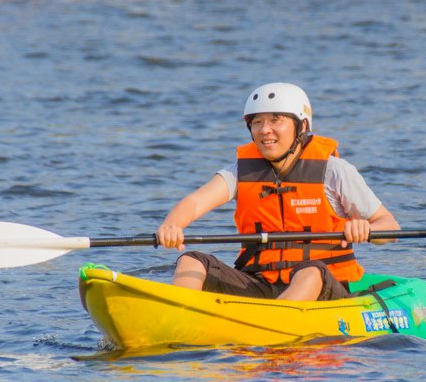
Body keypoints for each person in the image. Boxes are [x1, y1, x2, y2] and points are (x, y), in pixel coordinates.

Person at [156, 82, 400, 302]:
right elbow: (195, 202)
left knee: (311, 270)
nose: (265, 130)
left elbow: (390, 227)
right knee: (191, 260)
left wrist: (368, 230)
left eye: (276, 120)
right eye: (257, 122)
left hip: (322, 287)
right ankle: (179, 312)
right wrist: (172, 225)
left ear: (301, 126)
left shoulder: (334, 171)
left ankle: (274, 324)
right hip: (261, 282)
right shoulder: (241, 171)